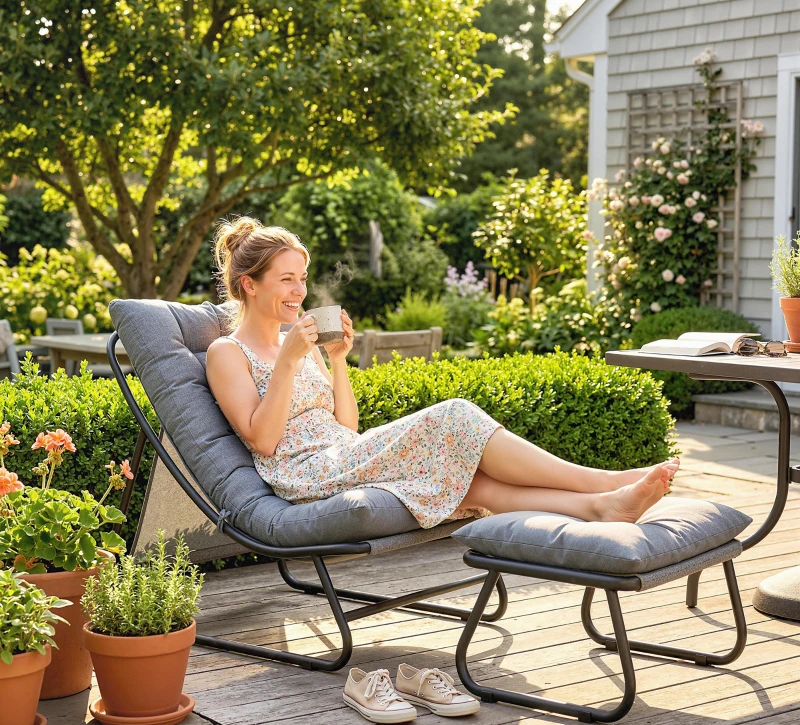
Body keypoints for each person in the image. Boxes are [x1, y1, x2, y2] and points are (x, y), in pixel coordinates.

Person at [205, 217, 679, 534]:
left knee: (467, 484)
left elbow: (346, 427)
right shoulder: (228, 352)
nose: (299, 290)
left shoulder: (299, 344)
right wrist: (289, 360)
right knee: (454, 416)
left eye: (303, 278)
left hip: (341, 454)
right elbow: (264, 443)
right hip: (303, 474)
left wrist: (338, 359)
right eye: (286, 279)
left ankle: (602, 507)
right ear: (250, 284)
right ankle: (602, 481)